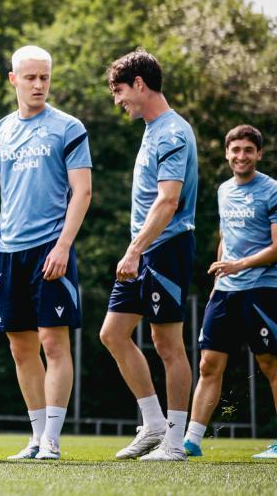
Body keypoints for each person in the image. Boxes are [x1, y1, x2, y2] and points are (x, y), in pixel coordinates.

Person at [0, 45, 92, 460]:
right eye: (30, 77)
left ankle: (53, 441)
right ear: (13, 79)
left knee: (53, 343)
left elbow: (83, 191)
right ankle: (36, 436)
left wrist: (63, 245)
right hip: (8, 252)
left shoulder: (68, 127)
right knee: (20, 346)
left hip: (51, 248)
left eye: (44, 77)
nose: (39, 84)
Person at [99, 50, 198, 461]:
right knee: (112, 334)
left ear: (139, 84)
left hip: (165, 248)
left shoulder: (173, 132)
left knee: (168, 343)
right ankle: (154, 424)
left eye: (119, 91)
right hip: (143, 251)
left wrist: (134, 250)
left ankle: (175, 442)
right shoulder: (152, 129)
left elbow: (168, 202)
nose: (117, 100)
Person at [183, 125, 277, 460]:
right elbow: (225, 237)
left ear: (259, 154)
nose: (241, 156)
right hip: (225, 291)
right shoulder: (223, 190)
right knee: (209, 363)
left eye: (248, 150)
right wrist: (217, 282)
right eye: (235, 150)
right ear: (227, 153)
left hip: (261, 289)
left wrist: (240, 266)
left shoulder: (272, 190)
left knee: (270, 363)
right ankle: (191, 442)